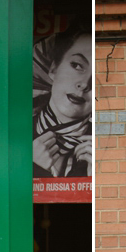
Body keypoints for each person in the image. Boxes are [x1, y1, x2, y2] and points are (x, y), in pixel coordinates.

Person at [32, 23, 92, 178]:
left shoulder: (102, 148)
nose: (85, 84)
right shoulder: (15, 135)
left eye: (97, 76)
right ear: (53, 69)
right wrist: (33, 168)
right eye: (77, 65)